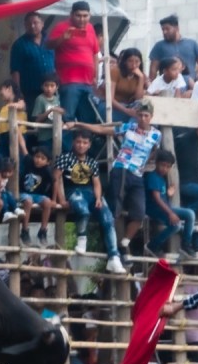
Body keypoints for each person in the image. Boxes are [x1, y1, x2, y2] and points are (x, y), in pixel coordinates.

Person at [67, 99, 161, 259]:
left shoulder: (156, 134)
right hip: (122, 169)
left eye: (146, 115)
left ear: (151, 117)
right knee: (115, 210)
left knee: (139, 214)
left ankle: (123, 243)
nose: (143, 118)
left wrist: (144, 164)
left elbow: (154, 151)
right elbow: (102, 130)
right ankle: (115, 250)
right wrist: (80, 125)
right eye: (140, 115)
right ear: (137, 116)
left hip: (138, 175)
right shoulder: (128, 127)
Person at [53, 129, 126, 274]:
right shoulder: (65, 158)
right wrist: (61, 200)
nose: (81, 145)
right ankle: (82, 238)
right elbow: (56, 178)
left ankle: (114, 257)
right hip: (73, 191)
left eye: (85, 143)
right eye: (78, 142)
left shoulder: (92, 162)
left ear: (89, 145)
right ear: (73, 142)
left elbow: (97, 183)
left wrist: (98, 198)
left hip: (91, 192)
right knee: (83, 210)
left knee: (108, 219)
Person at [46, 1, 99, 125]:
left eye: (85, 16)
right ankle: (64, 144)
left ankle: (85, 144)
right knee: (67, 118)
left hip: (88, 82)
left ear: (90, 15)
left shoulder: (91, 28)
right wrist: (62, 38)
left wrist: (95, 76)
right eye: (78, 15)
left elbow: (95, 53)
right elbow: (48, 45)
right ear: (71, 15)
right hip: (69, 81)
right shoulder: (61, 27)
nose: (82, 19)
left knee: (88, 119)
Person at [143, 149, 196, 258]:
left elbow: (161, 195)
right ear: (156, 163)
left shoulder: (161, 179)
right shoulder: (152, 177)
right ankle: (153, 245)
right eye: (162, 165)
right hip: (154, 209)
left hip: (163, 208)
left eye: (168, 166)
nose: (165, 169)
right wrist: (170, 213)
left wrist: (168, 193)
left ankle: (186, 245)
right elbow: (157, 198)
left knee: (185, 218)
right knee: (182, 220)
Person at [10, 11, 55, 114]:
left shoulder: (50, 41)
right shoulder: (19, 45)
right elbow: (15, 71)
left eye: (36, 22)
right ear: (25, 25)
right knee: (33, 121)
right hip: (30, 92)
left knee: (51, 119)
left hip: (50, 91)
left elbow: (56, 64)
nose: (33, 26)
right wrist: (18, 92)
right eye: (29, 23)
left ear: (42, 23)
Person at [148, 14, 198, 81]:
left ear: (177, 28)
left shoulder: (192, 44)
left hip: (190, 85)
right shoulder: (159, 46)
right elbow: (153, 70)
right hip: (168, 87)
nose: (164, 32)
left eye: (167, 29)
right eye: (163, 30)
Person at [19, 147, 55, 247]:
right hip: (24, 193)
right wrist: (18, 133)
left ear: (48, 162)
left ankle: (43, 231)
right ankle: (25, 230)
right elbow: (23, 147)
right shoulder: (29, 162)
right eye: (37, 157)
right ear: (33, 157)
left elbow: (55, 183)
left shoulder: (47, 170)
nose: (38, 160)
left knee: (47, 202)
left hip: (38, 195)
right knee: (28, 201)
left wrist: (54, 199)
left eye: (42, 158)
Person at [109, 48, 147, 121]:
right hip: (114, 106)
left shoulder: (141, 76)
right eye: (130, 61)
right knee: (135, 116)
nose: (134, 65)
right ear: (125, 62)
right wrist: (126, 111)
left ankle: (132, 129)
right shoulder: (115, 71)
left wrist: (141, 78)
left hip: (130, 106)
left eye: (137, 62)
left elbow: (138, 99)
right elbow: (110, 98)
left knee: (142, 111)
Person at [0, 79, 28, 158]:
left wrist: (15, 105)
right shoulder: (4, 108)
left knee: (16, 158)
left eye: (1, 90)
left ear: (9, 89)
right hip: (2, 136)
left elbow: (21, 105)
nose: (0, 93)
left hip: (17, 134)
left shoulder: (20, 101)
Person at [31, 73, 63, 152]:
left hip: (55, 134)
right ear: (42, 86)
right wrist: (50, 111)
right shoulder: (40, 99)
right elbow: (37, 119)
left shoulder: (57, 99)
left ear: (57, 87)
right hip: (44, 136)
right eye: (46, 85)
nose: (49, 89)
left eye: (52, 86)